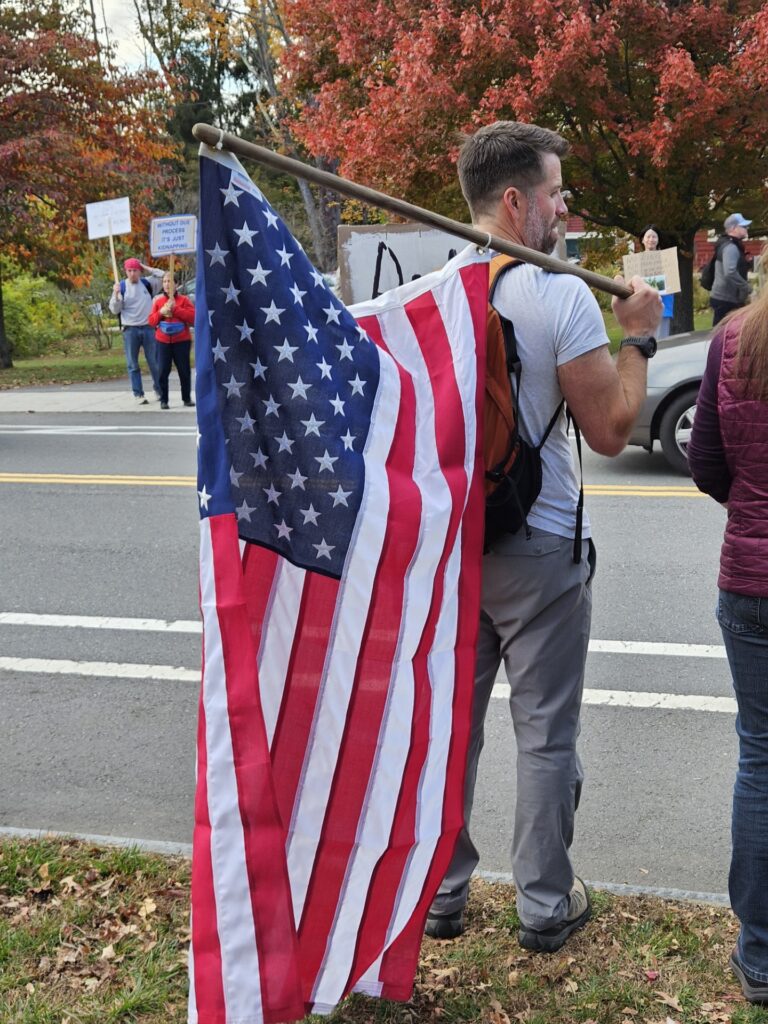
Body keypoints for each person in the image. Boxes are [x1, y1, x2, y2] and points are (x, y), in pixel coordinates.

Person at [425, 121, 662, 952]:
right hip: (541, 546)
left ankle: (442, 893)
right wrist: (638, 337)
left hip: (456, 551)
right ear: (518, 200)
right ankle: (543, 906)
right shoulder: (557, 290)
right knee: (546, 731)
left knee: (454, 729)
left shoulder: (435, 287)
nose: (565, 209)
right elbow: (611, 426)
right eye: (557, 193)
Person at [687, 258, 768, 1006]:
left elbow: (705, 460)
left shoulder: (735, 339)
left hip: (752, 584)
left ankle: (762, 956)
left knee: (762, 761)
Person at [108, 257, 164, 404]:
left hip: (148, 328)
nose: (132, 273)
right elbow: (114, 310)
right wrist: (115, 295)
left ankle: (159, 390)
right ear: (126, 271)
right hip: (130, 330)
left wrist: (147, 268)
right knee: (133, 364)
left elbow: (164, 275)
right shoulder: (121, 287)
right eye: (129, 270)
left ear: (139, 271)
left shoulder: (147, 283)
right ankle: (138, 393)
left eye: (135, 270)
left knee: (155, 362)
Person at [147, 272, 195, 410]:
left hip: (181, 341)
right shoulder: (158, 301)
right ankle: (164, 399)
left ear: (176, 284)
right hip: (163, 342)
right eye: (165, 281)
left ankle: (186, 398)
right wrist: (161, 312)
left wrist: (176, 309)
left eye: (170, 281)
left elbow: (193, 318)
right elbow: (151, 321)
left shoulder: (184, 300)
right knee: (162, 371)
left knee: (184, 371)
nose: (167, 284)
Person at [709, 213, 753, 327]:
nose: (747, 228)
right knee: (723, 336)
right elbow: (730, 272)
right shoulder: (731, 247)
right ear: (733, 228)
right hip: (726, 300)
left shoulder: (728, 244)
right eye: (743, 226)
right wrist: (746, 287)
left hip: (724, 298)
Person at [641, 225, 674, 338]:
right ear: (643, 240)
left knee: (661, 344)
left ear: (658, 239)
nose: (651, 239)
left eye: (654, 237)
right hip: (643, 310)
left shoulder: (667, 260)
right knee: (644, 345)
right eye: (648, 236)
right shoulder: (636, 262)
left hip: (662, 309)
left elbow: (672, 283)